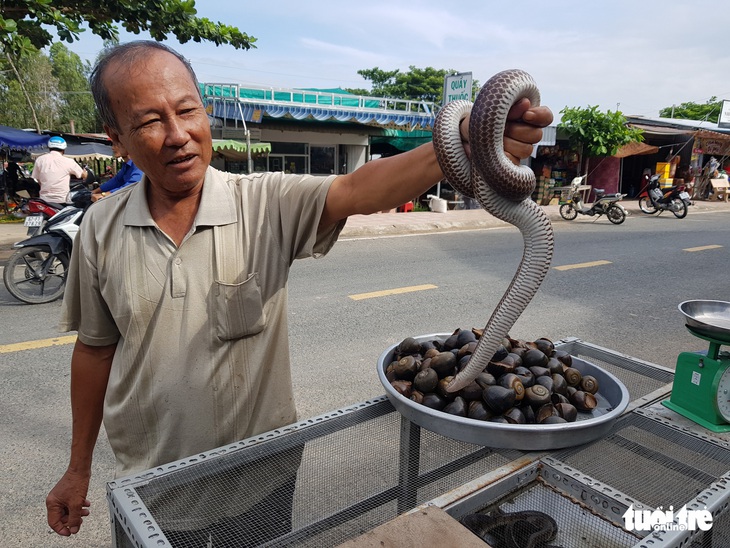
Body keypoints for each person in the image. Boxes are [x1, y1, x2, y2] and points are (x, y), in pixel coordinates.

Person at [45, 40, 552, 539]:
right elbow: (94, 350)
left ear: (205, 113)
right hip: (156, 492)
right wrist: (77, 468)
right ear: (116, 139)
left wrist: (468, 137)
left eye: (187, 110)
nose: (178, 134)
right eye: (151, 122)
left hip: (261, 481)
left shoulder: (263, 203)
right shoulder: (99, 227)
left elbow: (358, 190)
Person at [31, 136, 87, 204]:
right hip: (62, 200)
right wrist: (85, 172)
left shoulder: (40, 160)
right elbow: (83, 175)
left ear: (49, 148)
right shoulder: (69, 161)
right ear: (63, 149)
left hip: (44, 200)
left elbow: (38, 179)